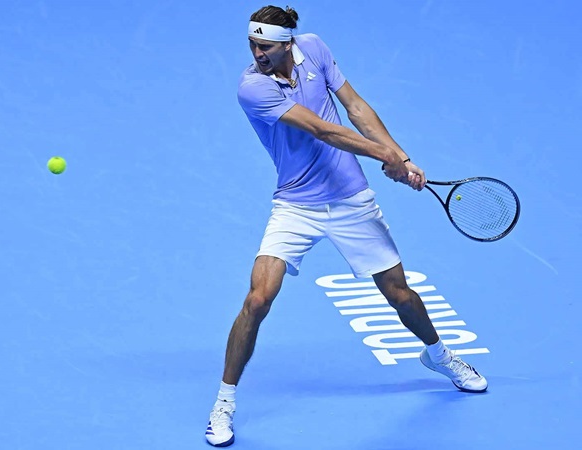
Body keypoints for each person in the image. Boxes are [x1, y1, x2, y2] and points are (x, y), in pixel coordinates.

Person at [205, 5, 487, 447]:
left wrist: (401, 155)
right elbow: (321, 129)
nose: (257, 53)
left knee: (400, 294)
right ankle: (223, 402)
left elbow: (354, 107)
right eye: (252, 44)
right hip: (295, 204)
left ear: (289, 43)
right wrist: (385, 156)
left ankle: (440, 356)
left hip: (351, 198)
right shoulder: (252, 88)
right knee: (258, 298)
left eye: (266, 45)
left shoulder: (314, 48)